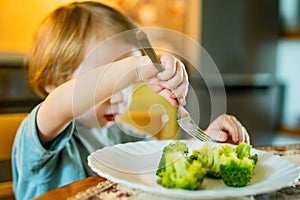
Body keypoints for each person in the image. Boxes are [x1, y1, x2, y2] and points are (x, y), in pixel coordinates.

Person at [11, 1, 249, 199]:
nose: (118, 97)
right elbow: (58, 105)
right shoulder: (38, 140)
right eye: (107, 79)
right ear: (53, 82)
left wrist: (206, 142)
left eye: (125, 84)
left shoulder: (119, 135)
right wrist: (137, 68)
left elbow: (165, 161)